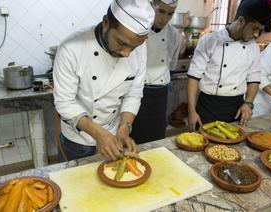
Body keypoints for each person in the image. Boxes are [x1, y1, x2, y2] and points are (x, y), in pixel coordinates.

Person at [53, 0, 155, 161]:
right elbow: (64, 103)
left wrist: (124, 128)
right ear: (106, 22)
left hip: (113, 133)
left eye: (134, 47)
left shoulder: (139, 49)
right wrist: (98, 133)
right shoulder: (71, 48)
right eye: (122, 43)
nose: (127, 54)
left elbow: (134, 94)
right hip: (78, 139)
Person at [187, 0, 271, 130]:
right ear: (241, 20)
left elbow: (254, 78)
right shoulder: (209, 41)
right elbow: (194, 77)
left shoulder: (253, 47)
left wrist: (248, 103)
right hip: (207, 107)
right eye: (254, 28)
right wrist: (191, 111)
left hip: (236, 109)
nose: (257, 34)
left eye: (260, 30)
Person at [130, 0, 180, 144]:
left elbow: (171, 66)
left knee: (157, 137)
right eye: (161, 11)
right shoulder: (138, 30)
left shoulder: (174, 34)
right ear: (152, 6)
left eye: (170, 14)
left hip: (161, 94)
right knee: (135, 138)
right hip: (138, 92)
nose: (165, 18)